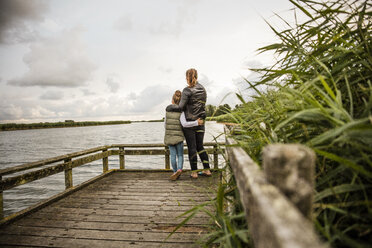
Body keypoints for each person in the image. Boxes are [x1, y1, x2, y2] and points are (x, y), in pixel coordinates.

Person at [178, 68, 211, 179]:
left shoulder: (187, 90)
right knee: (200, 146)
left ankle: (194, 172)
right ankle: (207, 170)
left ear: (188, 77)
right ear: (197, 76)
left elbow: (181, 107)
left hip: (189, 122)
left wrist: (171, 108)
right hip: (201, 122)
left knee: (192, 147)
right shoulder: (203, 89)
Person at [164, 90, 203, 180]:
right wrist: (196, 123)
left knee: (173, 155)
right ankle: (179, 170)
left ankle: (174, 171)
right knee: (180, 155)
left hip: (169, 136)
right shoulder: (181, 112)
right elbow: (185, 124)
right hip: (179, 137)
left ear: (172, 101)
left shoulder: (167, 112)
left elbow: (165, 125)